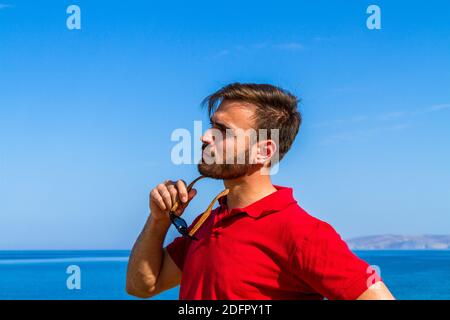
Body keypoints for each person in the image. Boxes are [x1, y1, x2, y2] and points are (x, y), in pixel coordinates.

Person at [126, 83, 395, 300]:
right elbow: (143, 287)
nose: (205, 137)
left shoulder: (304, 234)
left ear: (264, 150)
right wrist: (158, 220)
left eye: (222, 131)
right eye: (211, 127)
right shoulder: (206, 223)